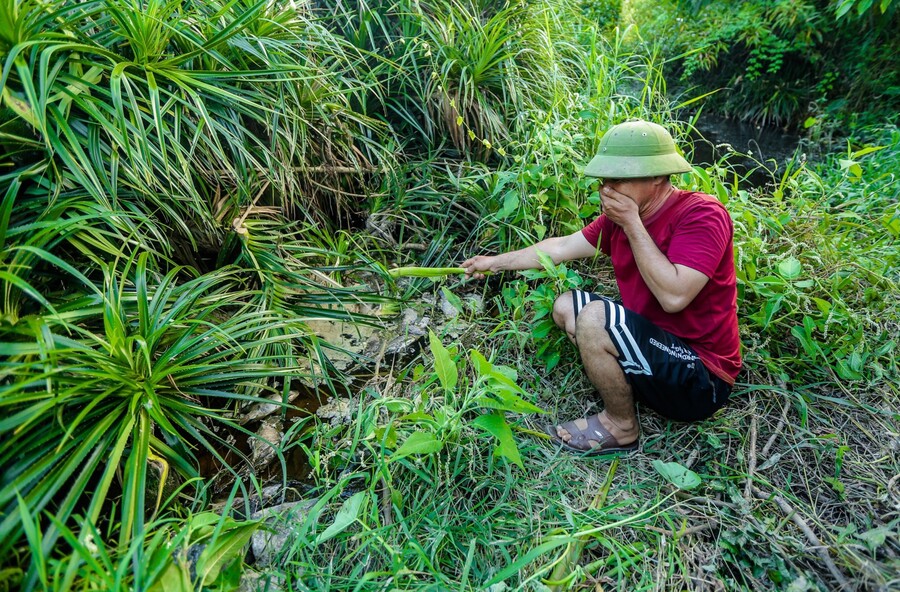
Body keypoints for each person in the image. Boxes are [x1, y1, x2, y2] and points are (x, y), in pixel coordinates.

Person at [461, 120, 741, 456]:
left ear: (657, 176)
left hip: (700, 376)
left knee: (595, 318)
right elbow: (562, 246)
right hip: (654, 345)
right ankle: (629, 383)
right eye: (604, 179)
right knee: (567, 305)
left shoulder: (701, 214)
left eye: (619, 178)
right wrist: (494, 262)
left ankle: (621, 426)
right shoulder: (618, 219)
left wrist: (633, 224)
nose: (607, 188)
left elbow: (674, 296)